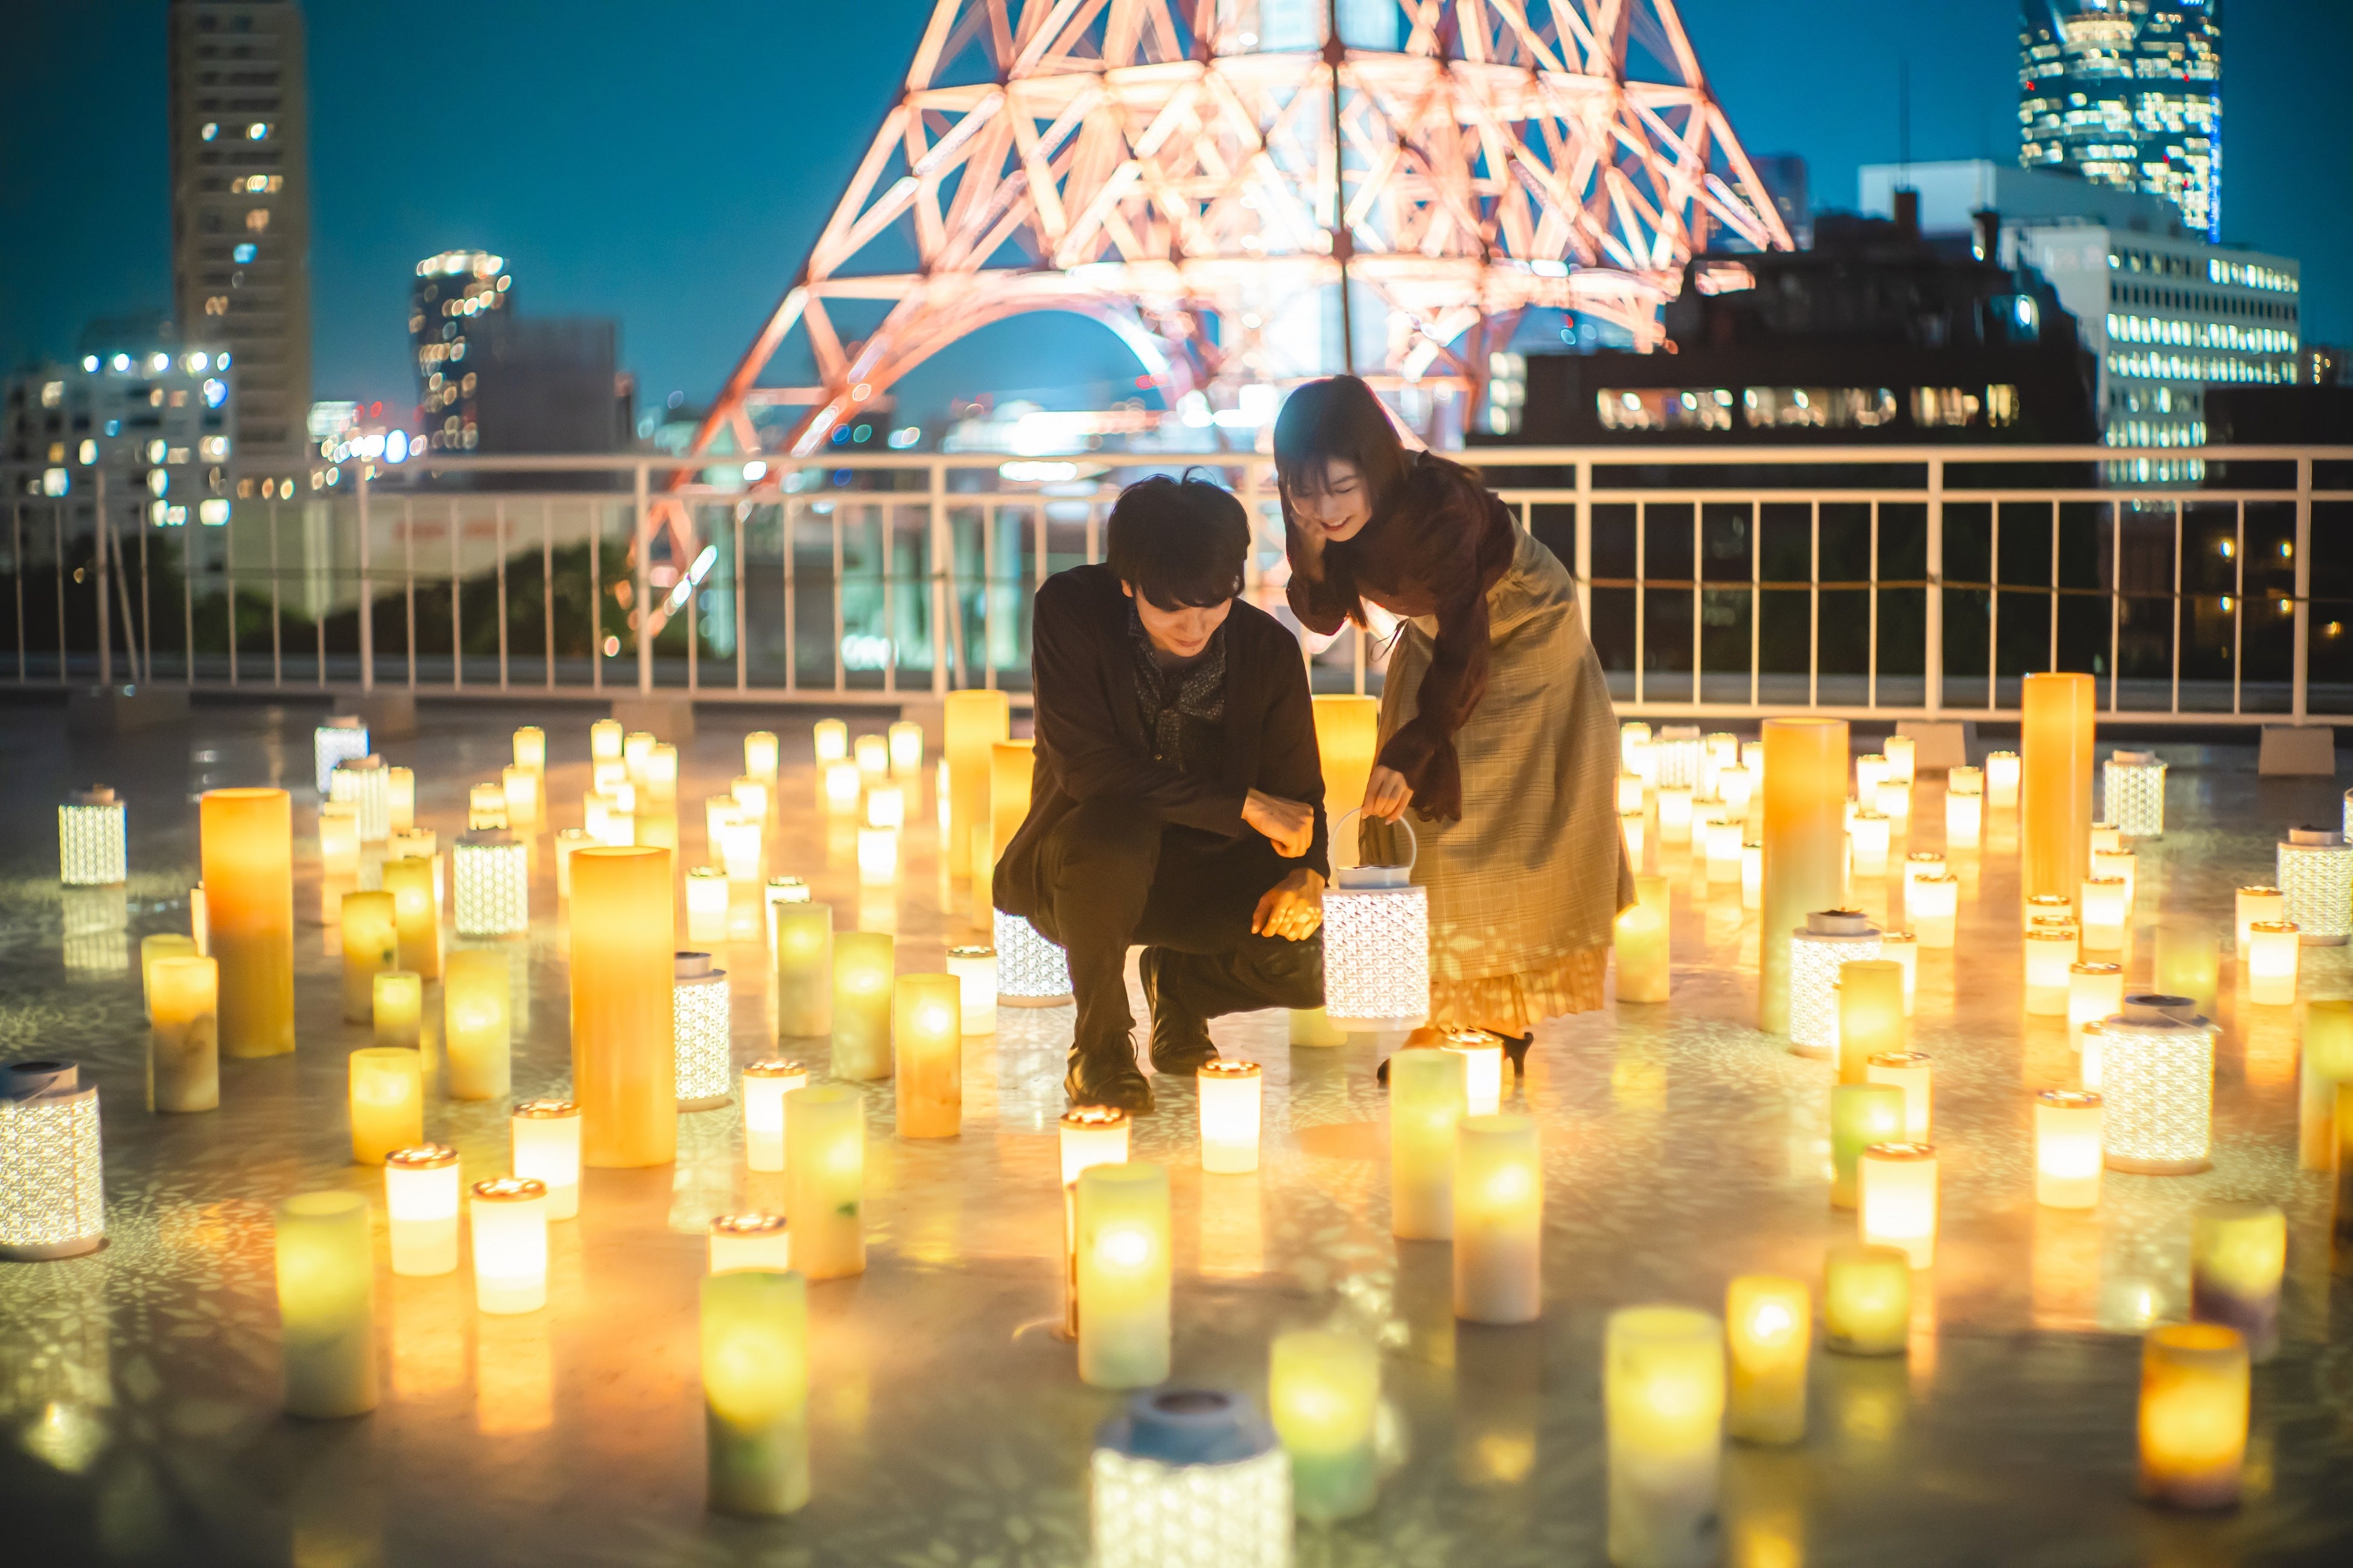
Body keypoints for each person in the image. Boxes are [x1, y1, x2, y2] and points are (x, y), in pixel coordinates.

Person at [1275, 375, 1631, 1066]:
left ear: (1375, 464)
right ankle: (1452, 1014)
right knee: (1423, 827)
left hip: (1522, 623)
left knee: (1497, 821)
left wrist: (1418, 747)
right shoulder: (1318, 520)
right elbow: (1320, 618)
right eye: (1304, 490)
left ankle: (1496, 1020)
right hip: (1443, 639)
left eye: (1341, 487)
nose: (1324, 506)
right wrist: (1311, 548)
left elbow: (1472, 640)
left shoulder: (1439, 509)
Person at [995, 472, 1329, 1113]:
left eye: (1214, 601)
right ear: (1128, 583)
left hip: (1210, 875)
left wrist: (1308, 873)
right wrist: (1242, 805)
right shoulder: (1072, 609)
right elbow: (1090, 770)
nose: (1194, 624)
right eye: (1171, 606)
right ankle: (1100, 1050)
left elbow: (1298, 797)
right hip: (1087, 868)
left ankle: (1181, 990)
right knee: (1114, 835)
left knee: (1315, 965)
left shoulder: (1267, 650)